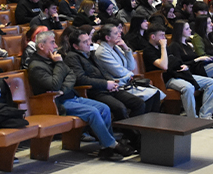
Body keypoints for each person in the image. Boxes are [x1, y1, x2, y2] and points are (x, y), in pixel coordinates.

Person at [27, 30, 135, 161]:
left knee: (104, 108)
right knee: (92, 112)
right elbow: (54, 85)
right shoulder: (37, 66)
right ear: (41, 46)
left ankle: (105, 148)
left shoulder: (53, 59)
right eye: (52, 42)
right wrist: (59, 64)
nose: (55, 46)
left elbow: (71, 75)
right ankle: (111, 145)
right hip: (55, 103)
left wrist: (63, 88)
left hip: (69, 96)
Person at [142, 25, 213, 119]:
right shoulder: (148, 51)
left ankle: (206, 116)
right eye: (161, 35)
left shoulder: (164, 48)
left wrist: (184, 65)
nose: (164, 38)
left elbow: (173, 60)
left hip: (178, 73)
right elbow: (164, 66)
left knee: (211, 83)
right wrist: (163, 47)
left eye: (164, 35)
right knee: (188, 87)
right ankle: (192, 119)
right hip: (166, 79)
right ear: (153, 36)